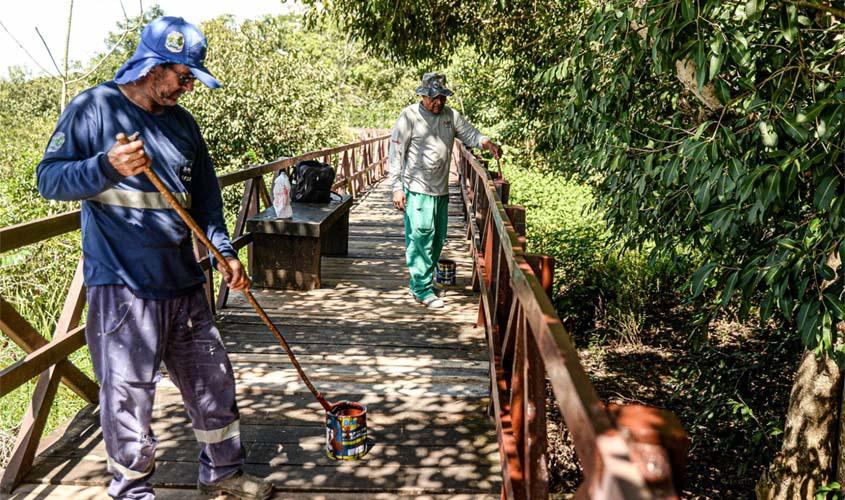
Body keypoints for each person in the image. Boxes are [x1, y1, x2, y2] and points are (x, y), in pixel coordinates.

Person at [36, 17, 272, 500]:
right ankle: (132, 490)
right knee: (127, 397)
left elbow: (205, 200)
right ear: (152, 66)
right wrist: (106, 166)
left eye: (192, 79)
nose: (188, 87)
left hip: (184, 282)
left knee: (213, 382)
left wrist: (224, 250)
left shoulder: (183, 124)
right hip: (122, 285)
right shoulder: (94, 108)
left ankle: (223, 476)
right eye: (183, 76)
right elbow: (49, 180)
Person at [388, 72, 502, 309]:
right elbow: (395, 154)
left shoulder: (450, 116)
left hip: (440, 190)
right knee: (421, 236)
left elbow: (470, 134)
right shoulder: (409, 116)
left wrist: (487, 142)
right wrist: (397, 188)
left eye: (442, 97)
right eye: (433, 98)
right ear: (423, 96)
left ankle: (425, 281)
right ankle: (420, 288)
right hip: (417, 188)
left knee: (438, 239)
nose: (438, 102)